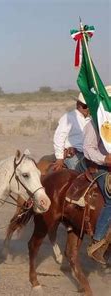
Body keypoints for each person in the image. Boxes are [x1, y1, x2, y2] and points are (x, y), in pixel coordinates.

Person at [82, 86, 111, 264]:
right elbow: (88, 149)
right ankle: (98, 241)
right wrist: (105, 159)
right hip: (102, 168)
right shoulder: (95, 123)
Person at [51, 93, 90, 172]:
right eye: (85, 106)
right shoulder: (69, 117)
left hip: (89, 155)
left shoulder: (91, 119)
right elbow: (59, 137)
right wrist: (60, 158)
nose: (88, 109)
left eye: (90, 106)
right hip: (73, 155)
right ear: (78, 105)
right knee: (78, 175)